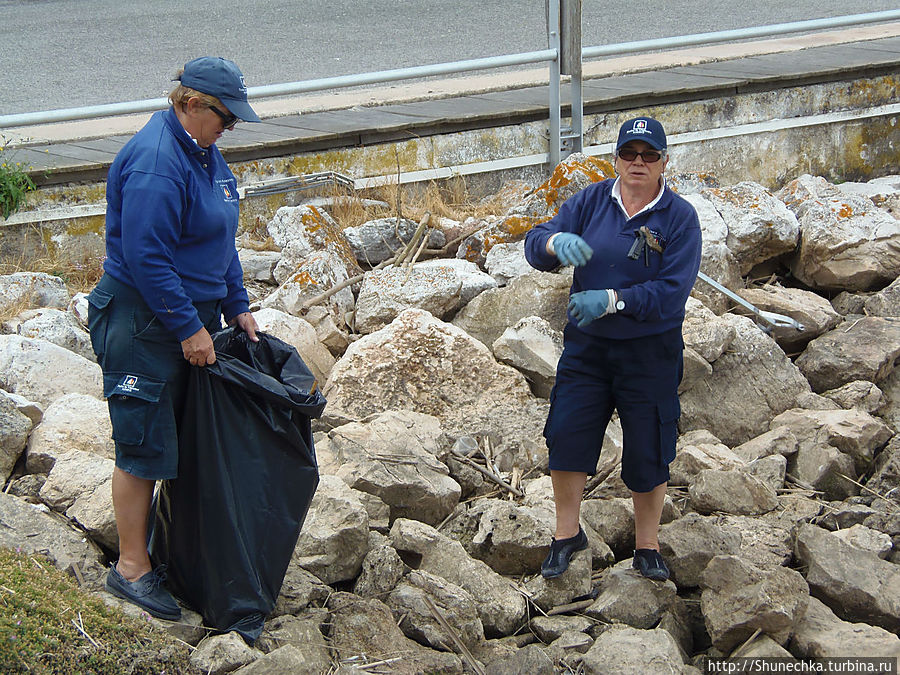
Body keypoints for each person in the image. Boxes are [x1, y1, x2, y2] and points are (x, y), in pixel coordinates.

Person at [87, 57, 262, 619]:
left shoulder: (205, 154)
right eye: (224, 116)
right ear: (189, 103)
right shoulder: (158, 163)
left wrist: (236, 305)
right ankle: (132, 568)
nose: (229, 126)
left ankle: (165, 553)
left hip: (188, 315)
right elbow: (146, 258)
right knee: (142, 442)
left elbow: (221, 237)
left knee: (179, 441)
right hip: (143, 320)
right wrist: (189, 327)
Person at [524, 116, 702, 581]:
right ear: (616, 158)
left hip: (649, 353)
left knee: (649, 448)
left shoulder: (679, 218)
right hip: (587, 350)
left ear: (665, 160)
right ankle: (566, 534)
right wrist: (553, 244)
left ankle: (648, 544)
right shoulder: (589, 201)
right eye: (629, 154)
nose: (638, 163)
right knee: (567, 434)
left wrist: (613, 300)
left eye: (649, 155)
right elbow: (535, 241)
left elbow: (670, 294)